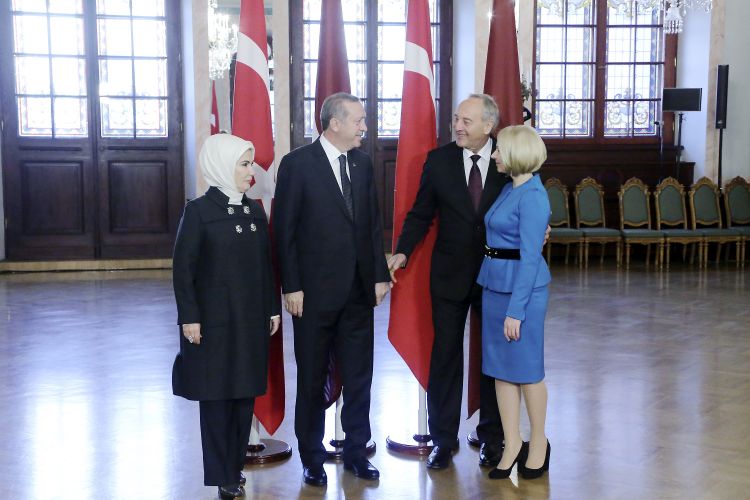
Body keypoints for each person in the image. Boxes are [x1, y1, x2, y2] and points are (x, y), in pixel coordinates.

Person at [274, 92, 391, 486]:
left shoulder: (362, 163)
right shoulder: (297, 164)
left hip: (358, 293)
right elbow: (285, 231)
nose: (364, 127)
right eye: (358, 120)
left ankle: (357, 451)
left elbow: (371, 225)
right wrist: (291, 285)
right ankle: (312, 457)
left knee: (359, 378)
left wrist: (378, 275)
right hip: (312, 295)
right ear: (335, 123)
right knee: (311, 378)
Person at [388, 94, 507, 469]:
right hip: (449, 275)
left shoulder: (508, 157)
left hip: (496, 276)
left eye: (466, 121)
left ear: (488, 125)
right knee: (445, 357)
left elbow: (530, 200)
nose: (457, 126)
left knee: (493, 358)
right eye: (456, 119)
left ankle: (492, 437)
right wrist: (402, 251)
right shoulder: (439, 161)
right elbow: (421, 213)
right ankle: (443, 439)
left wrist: (543, 226)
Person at [171, 134, 280, 499]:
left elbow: (266, 267)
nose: (252, 172)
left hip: (249, 322)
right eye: (244, 164)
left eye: (251, 164)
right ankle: (222, 475)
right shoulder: (199, 212)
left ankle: (234, 468)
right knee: (217, 399)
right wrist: (189, 318)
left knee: (244, 396)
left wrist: (272, 307)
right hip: (213, 325)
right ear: (221, 166)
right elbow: (183, 271)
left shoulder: (254, 211)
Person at [477, 125, 551, 480]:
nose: (494, 155)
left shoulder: (534, 196)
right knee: (500, 369)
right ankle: (512, 443)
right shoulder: (509, 188)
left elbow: (531, 258)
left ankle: (538, 442)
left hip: (523, 292)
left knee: (527, 370)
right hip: (494, 285)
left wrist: (516, 311)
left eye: (499, 150)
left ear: (516, 154)